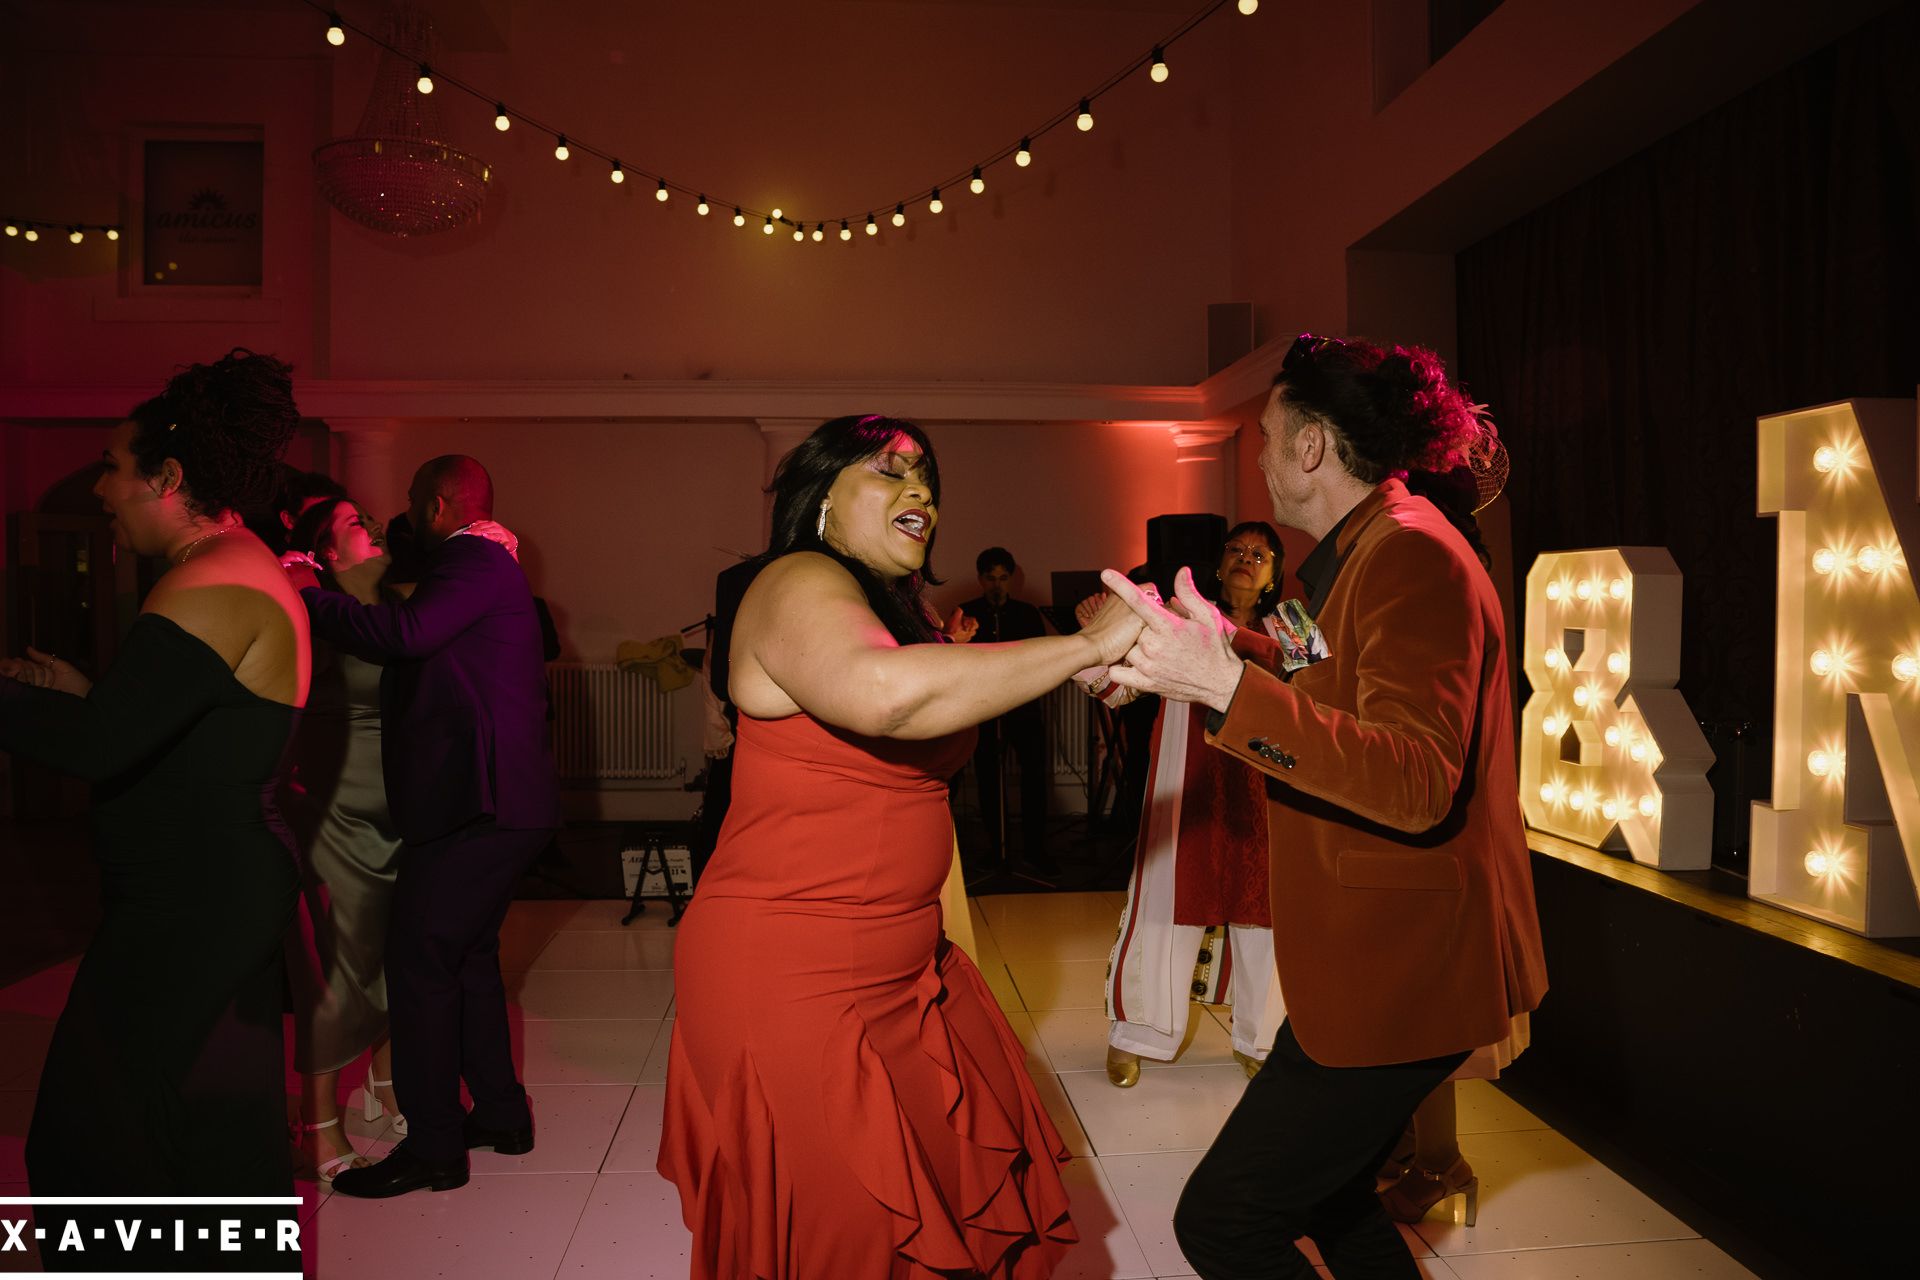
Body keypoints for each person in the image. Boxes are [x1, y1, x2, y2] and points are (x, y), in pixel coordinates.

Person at [1100, 335, 1548, 1279]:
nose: (1257, 457)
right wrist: (1214, 648)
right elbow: (1314, 682)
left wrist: (1222, 688)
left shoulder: (1414, 559)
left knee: (1223, 1222)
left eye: (1265, 437)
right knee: (1338, 1202)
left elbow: (1417, 776)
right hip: (1364, 960)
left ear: (1311, 448)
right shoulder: (1339, 561)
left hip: (1405, 969)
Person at [659, 414, 1145, 1278]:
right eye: (890, 472)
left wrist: (1073, 666)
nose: (921, 491)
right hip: (793, 971)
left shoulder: (896, 612)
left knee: (938, 1211)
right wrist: (1086, 644)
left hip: (905, 965)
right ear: (819, 499)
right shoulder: (795, 578)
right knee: (851, 1234)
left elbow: (922, 711)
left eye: (928, 480)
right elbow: (882, 698)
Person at [0, 350, 308, 1254]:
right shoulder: (232, 564)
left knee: (91, 1141)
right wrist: (82, 693)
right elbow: (162, 730)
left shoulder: (209, 584)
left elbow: (99, 748)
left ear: (167, 479)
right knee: (203, 1131)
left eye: (111, 467)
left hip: (195, 898)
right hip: (208, 887)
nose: (101, 490)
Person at [296, 455, 560, 1198]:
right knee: (468, 958)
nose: (405, 520)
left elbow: (405, 634)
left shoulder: (473, 557)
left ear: (441, 503)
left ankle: (435, 1147)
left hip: (486, 807)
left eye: (414, 504)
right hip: (489, 804)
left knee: (417, 964)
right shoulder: (484, 562)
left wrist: (311, 595)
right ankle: (503, 1117)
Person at [1077, 522, 1293, 1088]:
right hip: (1186, 781)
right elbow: (1117, 690)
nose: (1246, 559)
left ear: (1273, 576)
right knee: (1165, 900)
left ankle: (1261, 1039)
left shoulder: (1295, 627)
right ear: (1218, 567)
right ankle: (1138, 1033)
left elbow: (1323, 686)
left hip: (1267, 788)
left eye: (1260, 554)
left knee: (1266, 912)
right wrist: (1090, 645)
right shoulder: (1178, 615)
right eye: (1236, 551)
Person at [278, 495, 407, 1184]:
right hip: (332, 810)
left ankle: (384, 1090)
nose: (375, 529)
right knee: (334, 970)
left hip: (393, 813)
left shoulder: (389, 604)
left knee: (389, 957)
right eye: (357, 523)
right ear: (326, 552)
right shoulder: (309, 602)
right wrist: (296, 563)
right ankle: (317, 1127)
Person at [958, 547, 1055, 872]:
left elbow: (1041, 660)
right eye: (990, 578)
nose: (997, 585)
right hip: (985, 710)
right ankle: (995, 846)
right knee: (988, 778)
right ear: (980, 579)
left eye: (1002, 578)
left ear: (1011, 578)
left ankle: (1035, 848)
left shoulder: (1027, 613)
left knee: (1034, 776)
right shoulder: (967, 612)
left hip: (1024, 709)